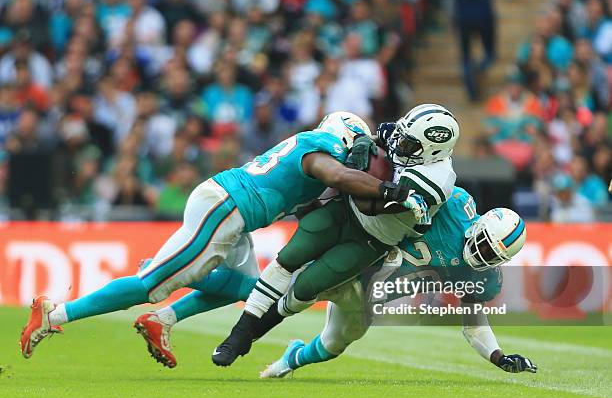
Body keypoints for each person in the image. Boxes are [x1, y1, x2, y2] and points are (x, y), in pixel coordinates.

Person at [19, 111, 423, 359]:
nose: (365, 155)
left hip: (235, 212)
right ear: (348, 135)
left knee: (250, 291)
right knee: (152, 284)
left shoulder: (314, 147)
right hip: (226, 207)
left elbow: (314, 207)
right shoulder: (327, 146)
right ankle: (55, 313)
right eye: (361, 146)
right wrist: (389, 191)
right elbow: (336, 175)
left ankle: (164, 318)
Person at [212, 103, 459, 367]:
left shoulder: (436, 180)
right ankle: (238, 334)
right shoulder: (403, 138)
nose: (399, 146)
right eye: (402, 138)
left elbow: (369, 204)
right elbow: (379, 142)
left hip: (372, 239)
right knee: (290, 256)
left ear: (434, 151)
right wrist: (364, 144)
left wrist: (364, 176)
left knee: (307, 286)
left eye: (409, 146)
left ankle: (254, 332)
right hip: (345, 210)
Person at [260, 188, 536, 378]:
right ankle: (234, 314)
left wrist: (499, 357)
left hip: (367, 297)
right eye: (484, 245)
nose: (481, 255)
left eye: (491, 256)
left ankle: (290, 359)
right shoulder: (452, 207)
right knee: (282, 291)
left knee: (333, 345)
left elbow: (473, 325)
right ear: (478, 226)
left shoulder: (483, 276)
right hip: (352, 258)